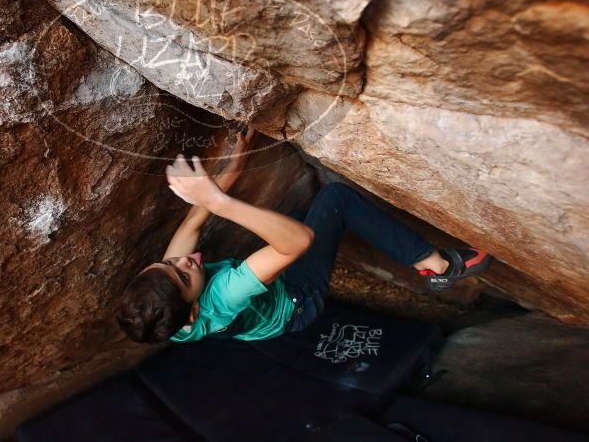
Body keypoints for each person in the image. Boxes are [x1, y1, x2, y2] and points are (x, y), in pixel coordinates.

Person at [116, 126, 493, 344]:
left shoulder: (163, 318)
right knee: (335, 199)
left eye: (167, 262)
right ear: (194, 311)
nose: (185, 260)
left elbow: (192, 224)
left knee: (297, 217)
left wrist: (237, 159)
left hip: (264, 308)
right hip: (298, 303)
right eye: (184, 275)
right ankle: (439, 265)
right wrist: (217, 199)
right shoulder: (223, 294)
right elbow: (298, 243)